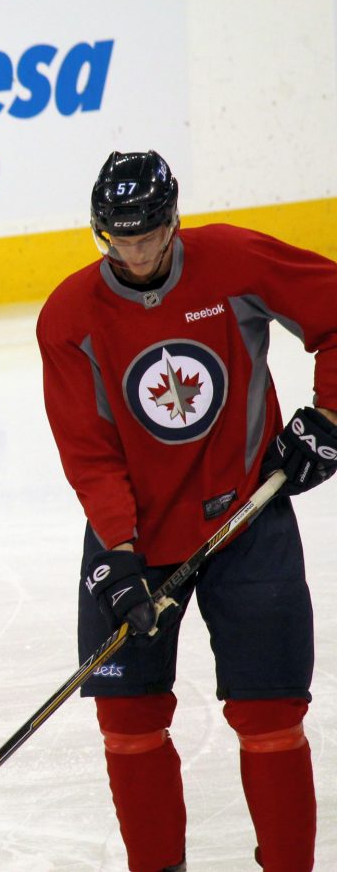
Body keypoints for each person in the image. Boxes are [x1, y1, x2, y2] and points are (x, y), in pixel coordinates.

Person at [36, 150, 337, 872]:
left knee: (270, 715)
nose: (135, 255)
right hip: (136, 537)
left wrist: (329, 417)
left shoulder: (233, 261)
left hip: (249, 519)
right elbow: (90, 454)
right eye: (118, 240)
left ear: (173, 221)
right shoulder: (69, 317)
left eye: (147, 237)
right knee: (128, 720)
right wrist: (117, 553)